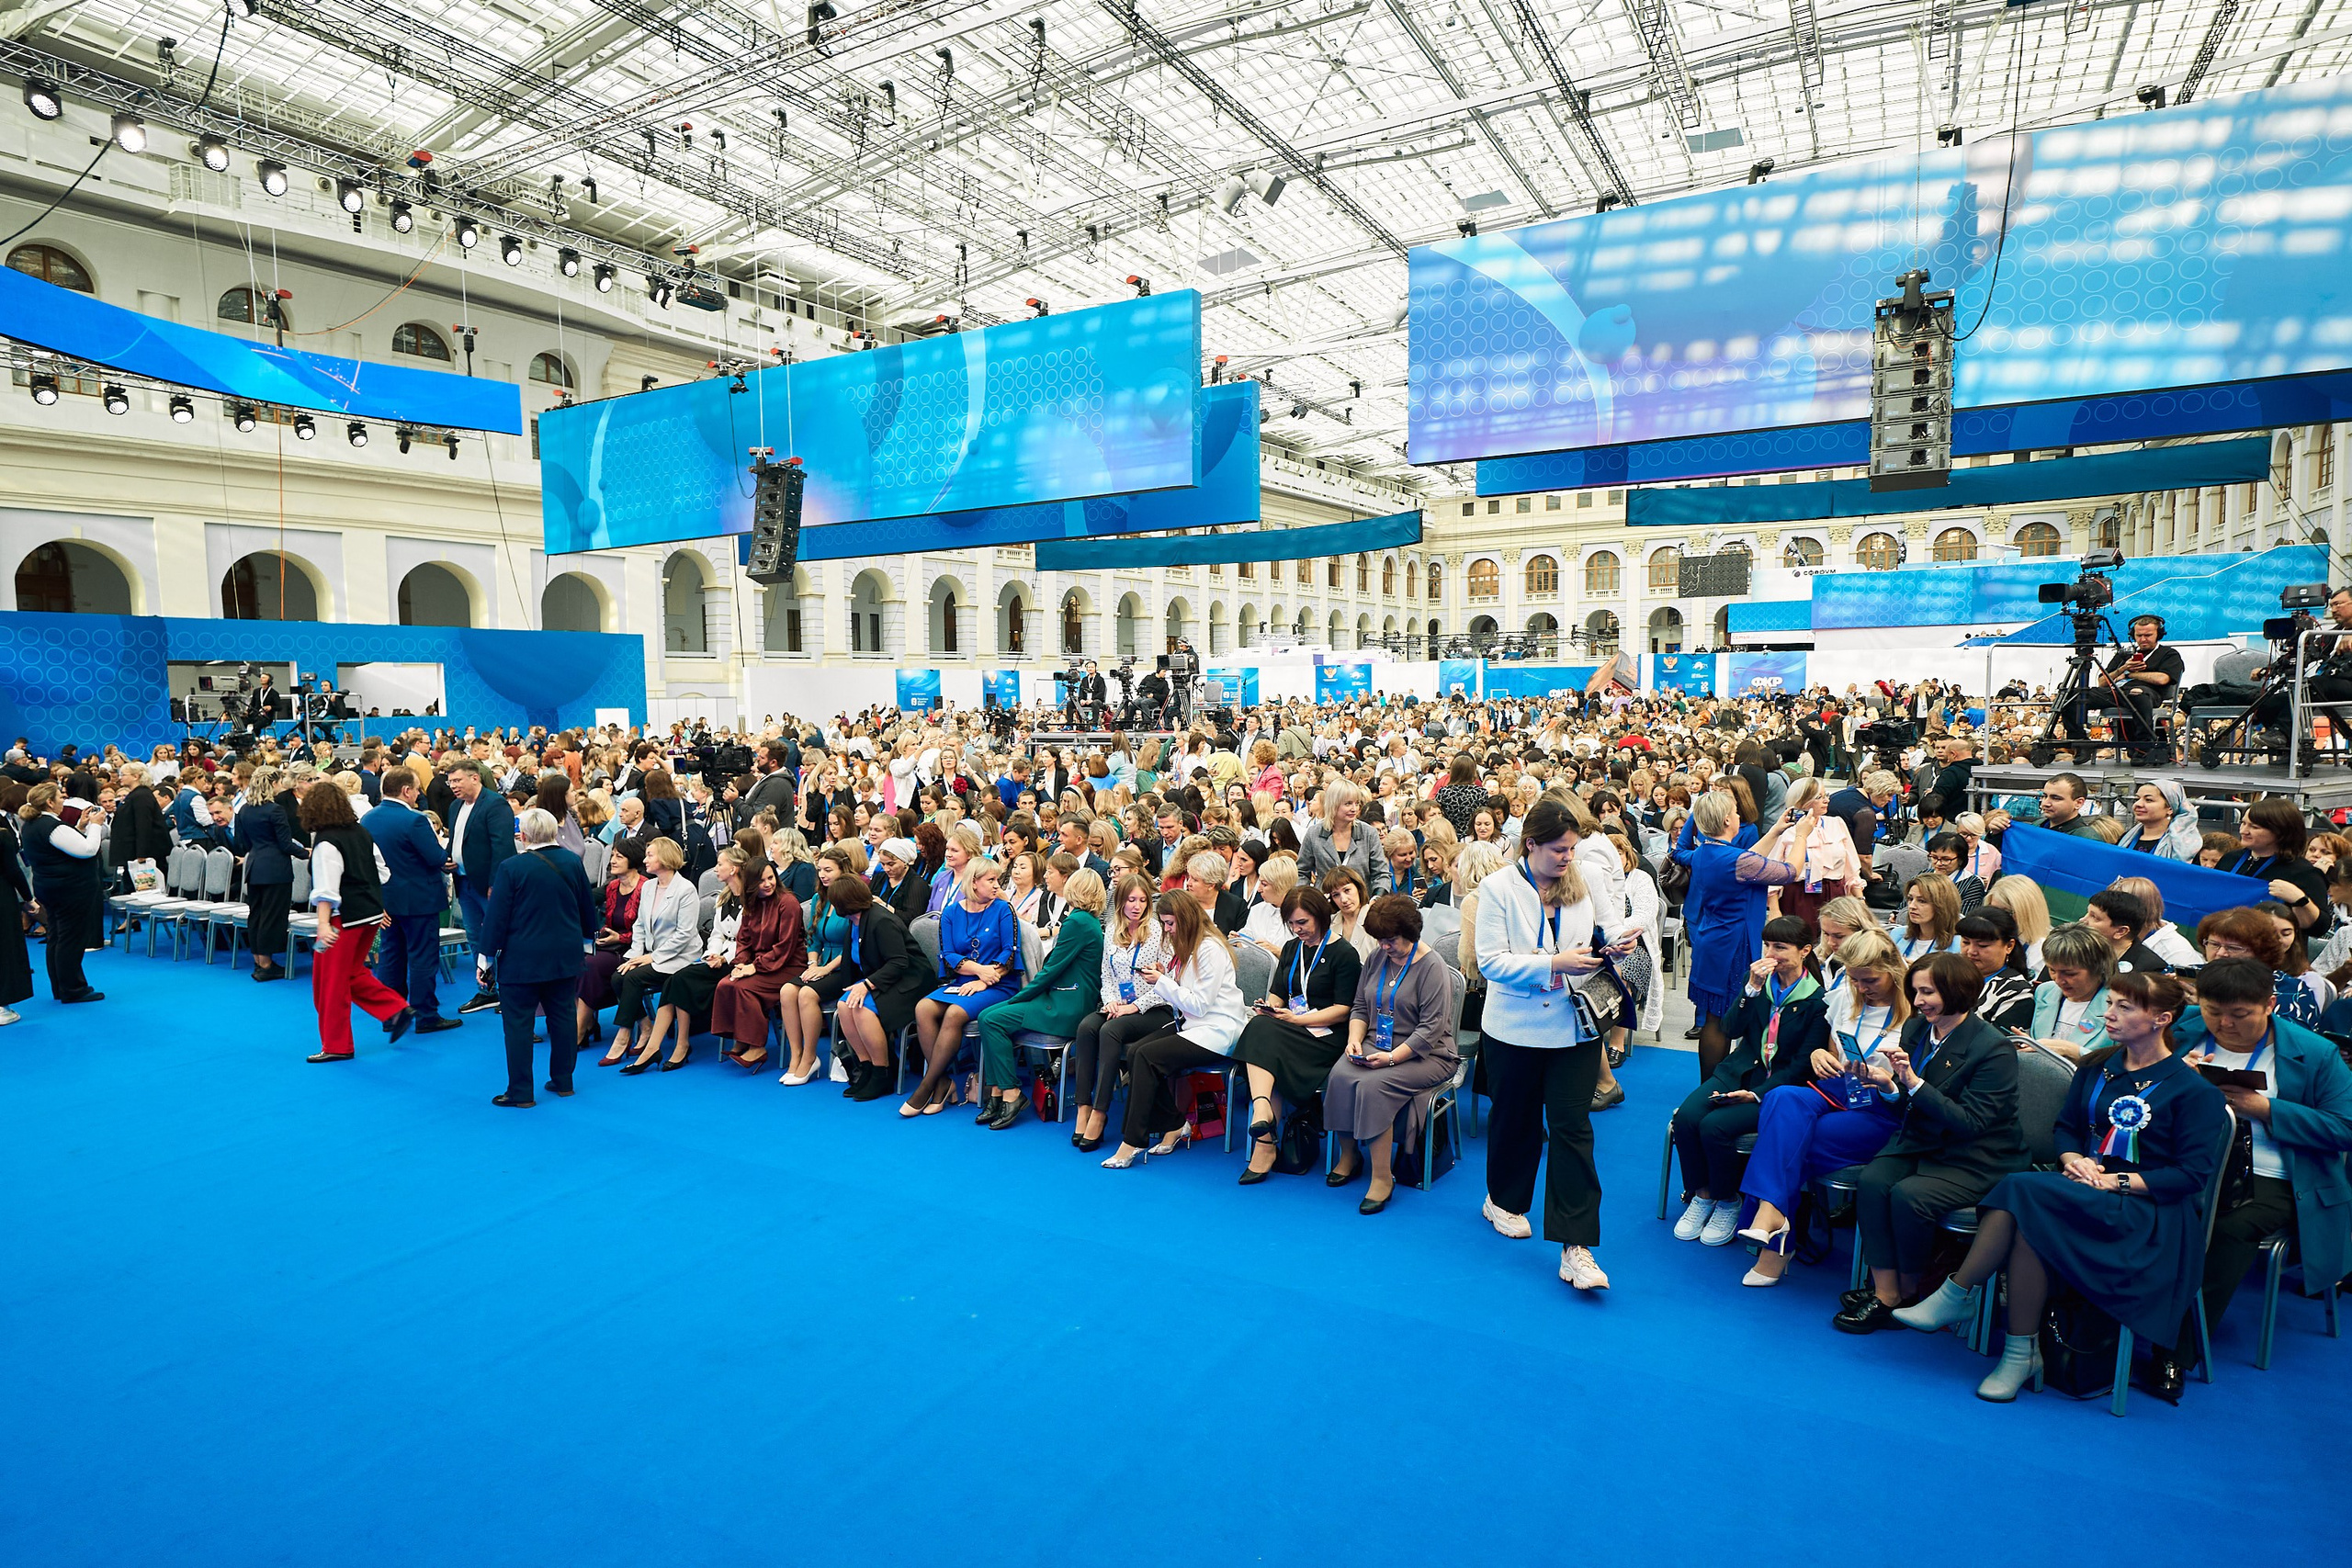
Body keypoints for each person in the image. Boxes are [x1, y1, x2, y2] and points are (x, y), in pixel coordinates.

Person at [1893, 970, 2225, 1401]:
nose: (2110, 1014)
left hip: (2146, 1212)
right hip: (2080, 1190)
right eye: (2110, 1004)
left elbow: (2190, 1176)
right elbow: (2065, 1130)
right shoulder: (2095, 1066)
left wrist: (2114, 1180)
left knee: (2021, 1189)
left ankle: (1960, 1293)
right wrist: (2074, 1160)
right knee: (2029, 1220)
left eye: (2125, 1007)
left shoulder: (2193, 1091)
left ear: (2161, 1019)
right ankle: (2017, 1352)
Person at [1476, 795, 1635, 1291]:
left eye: (1572, 849)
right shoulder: (1497, 887)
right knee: (1515, 1122)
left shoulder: (1581, 882)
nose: (1569, 857)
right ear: (1531, 845)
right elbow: (1490, 962)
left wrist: (1612, 943)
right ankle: (1502, 1199)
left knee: (1573, 1130)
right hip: (1513, 1030)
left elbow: (1599, 930)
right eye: (1560, 850)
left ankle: (1577, 1247)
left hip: (1573, 1029)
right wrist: (1553, 965)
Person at [2171, 957, 2352, 1380]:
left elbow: (2346, 1127)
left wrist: (2266, 1109)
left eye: (2239, 1015)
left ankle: (2180, 1349)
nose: (2225, 1025)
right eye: (2214, 1011)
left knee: (2228, 1228)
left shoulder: (2316, 1053)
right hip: (2194, 1163)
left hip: (2277, 1175)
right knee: (2144, 1206)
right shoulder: (2184, 1030)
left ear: (2269, 1003)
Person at [1832, 952, 2027, 1333]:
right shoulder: (1918, 1029)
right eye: (1916, 991)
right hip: (1924, 1142)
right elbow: (1908, 1101)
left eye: (1928, 992)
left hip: (1978, 1156)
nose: (1918, 1001)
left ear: (1958, 990)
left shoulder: (1993, 1049)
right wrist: (1888, 1086)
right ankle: (1887, 1291)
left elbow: (1971, 1123)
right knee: (1872, 1181)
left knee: (1910, 1196)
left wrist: (1913, 1083)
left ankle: (1908, 1292)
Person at [1736, 930, 1912, 1286]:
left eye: (1870, 980)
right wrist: (1819, 1053)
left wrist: (1887, 1080)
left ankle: (1775, 1233)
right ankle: (1775, 1217)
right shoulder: (1846, 996)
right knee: (1781, 1097)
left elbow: (1917, 1086)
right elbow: (1829, 1052)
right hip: (1838, 1089)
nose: (1862, 987)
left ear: (1893, 970)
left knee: (1791, 1139)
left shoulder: (1917, 1012)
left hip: (1883, 1107)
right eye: (1854, 979)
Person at [1669, 916, 1829, 1247]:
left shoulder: (1817, 1000)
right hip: (1737, 1071)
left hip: (1777, 1089)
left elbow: (1801, 1067)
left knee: (1715, 1127)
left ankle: (1728, 1200)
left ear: (1804, 951)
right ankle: (1703, 1194)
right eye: (1767, 945)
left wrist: (1756, 1095)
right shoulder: (1758, 983)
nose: (1770, 953)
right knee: (1685, 1118)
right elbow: (1731, 1029)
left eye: (1780, 947)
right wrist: (1751, 990)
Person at [1322, 895, 1460, 1213]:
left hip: (1428, 1054)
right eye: (1380, 941)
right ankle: (1349, 1155)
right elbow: (1359, 1007)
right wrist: (1354, 1041)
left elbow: (1430, 1030)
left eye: (1391, 940)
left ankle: (1383, 1177)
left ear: (1411, 933)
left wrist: (1392, 1058)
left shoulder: (1433, 968)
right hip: (1376, 1043)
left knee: (1374, 1086)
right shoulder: (1376, 959)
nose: (1385, 946)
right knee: (1340, 1075)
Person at [1099, 892, 1247, 1168]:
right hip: (1193, 1024)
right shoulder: (1189, 944)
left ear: (1186, 918)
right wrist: (1163, 975)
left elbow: (1200, 1004)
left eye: (1169, 923)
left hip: (1218, 1030)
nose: (1166, 929)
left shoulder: (1210, 949)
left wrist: (1162, 982)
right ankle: (1176, 1124)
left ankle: (1133, 1141)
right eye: (1164, 924)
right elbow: (1184, 992)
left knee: (1145, 1057)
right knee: (1136, 1053)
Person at [1231, 886, 1364, 1184]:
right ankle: (1264, 1127)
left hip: (1327, 1036)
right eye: (1291, 923)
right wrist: (1271, 1008)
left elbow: (1344, 1009)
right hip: (1293, 1028)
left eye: (1302, 922)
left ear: (1319, 916)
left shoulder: (1343, 953)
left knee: (1264, 1038)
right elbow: (1279, 992)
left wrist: (1299, 1018)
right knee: (1261, 1026)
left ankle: (1264, 1131)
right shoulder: (1292, 948)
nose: (1297, 929)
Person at [470, 807, 600, 1107]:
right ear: (554, 832)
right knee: (564, 1018)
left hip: (521, 961)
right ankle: (564, 1081)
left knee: (518, 1025)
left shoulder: (511, 867)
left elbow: (496, 919)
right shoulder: (571, 861)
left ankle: (521, 1092)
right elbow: (586, 909)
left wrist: (485, 959)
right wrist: (585, 946)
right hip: (565, 956)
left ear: (523, 834)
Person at [1676, 791, 1810, 1077]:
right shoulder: (1734, 860)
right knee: (1726, 1018)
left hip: (1711, 939)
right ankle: (1715, 1086)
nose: (1739, 816)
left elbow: (1747, 859)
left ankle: (1708, 1086)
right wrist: (1801, 835)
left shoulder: (1703, 852)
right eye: (1736, 812)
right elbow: (1791, 871)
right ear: (1727, 820)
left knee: (1715, 1017)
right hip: (1733, 944)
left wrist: (1775, 832)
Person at [972, 868, 1107, 1130]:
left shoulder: (1077, 922)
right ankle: (1000, 1091)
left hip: (1066, 1007)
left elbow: (1050, 971)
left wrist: (1018, 998)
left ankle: (1010, 1093)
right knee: (988, 1016)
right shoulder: (1085, 920)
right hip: (1064, 999)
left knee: (991, 1019)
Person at [299, 779, 412, 1061]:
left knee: (329, 983)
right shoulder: (361, 832)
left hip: (341, 921)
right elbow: (383, 873)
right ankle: (395, 1009)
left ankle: (337, 1045)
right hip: (369, 914)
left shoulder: (326, 842)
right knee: (351, 973)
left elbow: (326, 889)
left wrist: (324, 924)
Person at [903, 855, 1023, 1115]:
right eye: (991, 880)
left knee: (955, 1013)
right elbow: (948, 955)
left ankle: (927, 1086)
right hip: (965, 979)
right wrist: (978, 971)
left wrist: (984, 979)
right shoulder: (951, 912)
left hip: (1000, 983)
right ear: (974, 882)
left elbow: (1010, 953)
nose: (996, 886)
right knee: (923, 1008)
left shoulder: (1004, 909)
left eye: (997, 880)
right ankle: (943, 1081)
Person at [1069, 874, 1172, 1150]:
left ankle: (1101, 1113)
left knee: (1110, 1030)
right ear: (1121, 903)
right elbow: (1107, 975)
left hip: (1154, 1008)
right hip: (1120, 1005)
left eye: (1142, 900)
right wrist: (1112, 1001)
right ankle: (1084, 1106)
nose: (1137, 906)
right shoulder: (1112, 930)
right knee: (1087, 1027)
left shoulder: (1158, 933)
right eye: (1131, 900)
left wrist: (1133, 1007)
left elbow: (1169, 982)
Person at [360, 770, 454, 1030]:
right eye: (416, 789)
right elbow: (436, 858)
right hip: (420, 900)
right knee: (423, 958)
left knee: (391, 956)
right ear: (406, 791)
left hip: (387, 900)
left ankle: (393, 1015)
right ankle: (426, 1015)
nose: (419, 794)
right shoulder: (415, 820)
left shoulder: (367, 819)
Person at [831, 874, 933, 1103]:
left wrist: (866, 986)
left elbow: (899, 962)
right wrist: (854, 987)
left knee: (861, 1008)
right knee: (844, 1004)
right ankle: (865, 1066)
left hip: (911, 982)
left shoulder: (881, 920)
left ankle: (882, 1072)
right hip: (886, 979)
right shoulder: (856, 921)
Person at [605, 838, 702, 1073]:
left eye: (650, 855)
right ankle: (645, 1025)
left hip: (680, 957)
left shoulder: (686, 889)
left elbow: (685, 934)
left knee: (633, 978)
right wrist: (635, 955)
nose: (645, 859)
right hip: (651, 953)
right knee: (619, 975)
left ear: (665, 858)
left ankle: (623, 1034)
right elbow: (639, 925)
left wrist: (652, 957)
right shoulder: (649, 886)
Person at [708, 855, 806, 1072]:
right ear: (751, 884)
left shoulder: (788, 903)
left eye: (771, 878)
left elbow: (785, 947)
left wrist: (755, 967)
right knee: (726, 984)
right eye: (761, 881)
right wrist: (741, 963)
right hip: (760, 963)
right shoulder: (751, 903)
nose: (768, 883)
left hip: (788, 965)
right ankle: (741, 1039)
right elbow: (743, 939)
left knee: (745, 988)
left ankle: (757, 1047)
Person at [775, 847, 860, 1086]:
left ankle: (811, 1058)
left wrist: (825, 969)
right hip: (821, 963)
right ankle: (796, 1055)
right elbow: (813, 938)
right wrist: (813, 963)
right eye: (820, 870)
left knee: (806, 994)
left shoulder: (852, 897)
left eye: (828, 870)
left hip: (847, 966)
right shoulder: (817, 899)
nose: (822, 875)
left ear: (843, 870)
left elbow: (854, 945)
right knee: (787, 991)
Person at [17, 784, 104, 1005]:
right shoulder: (52, 826)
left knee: (57, 936)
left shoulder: (32, 824)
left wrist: (80, 826)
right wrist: (95, 826)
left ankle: (61, 986)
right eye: (60, 797)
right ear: (49, 802)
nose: (63, 801)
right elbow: (87, 850)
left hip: (50, 887)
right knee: (70, 939)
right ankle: (73, 988)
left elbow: (61, 847)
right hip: (70, 890)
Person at [446, 761, 516, 1015]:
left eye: (457, 781)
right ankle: (488, 990)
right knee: (476, 937)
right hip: (463, 882)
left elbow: (502, 847)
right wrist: (446, 858)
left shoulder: (495, 804)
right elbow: (455, 840)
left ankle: (510, 991)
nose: (453, 786)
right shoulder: (455, 806)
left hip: (487, 885)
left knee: (501, 936)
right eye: (450, 782)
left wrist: (495, 883)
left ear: (475, 778)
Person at [2218, 797, 2333, 938]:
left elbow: (2319, 928)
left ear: (2280, 832)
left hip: (2274, 954)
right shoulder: (2230, 859)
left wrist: (2300, 899)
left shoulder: (2304, 872)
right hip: (2225, 946)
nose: (2243, 831)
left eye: (2254, 827)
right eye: (2243, 823)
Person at [1762, 775, 1860, 940]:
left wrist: (1860, 899)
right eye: (1819, 797)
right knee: (1799, 943)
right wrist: (1774, 909)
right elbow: (1773, 871)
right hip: (1799, 895)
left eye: (1826, 795)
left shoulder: (1836, 823)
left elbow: (1851, 868)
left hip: (1834, 893)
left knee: (1836, 943)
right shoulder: (1787, 829)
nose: (1826, 800)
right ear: (1804, 801)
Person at [231, 764, 300, 983]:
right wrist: (307, 852)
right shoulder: (275, 810)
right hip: (276, 870)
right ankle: (267, 965)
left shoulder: (244, 810)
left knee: (257, 916)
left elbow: (242, 844)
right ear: (272, 784)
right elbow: (286, 844)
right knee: (272, 917)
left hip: (254, 868)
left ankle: (260, 961)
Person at [577, 839, 647, 1052]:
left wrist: (621, 938)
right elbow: (583, 900)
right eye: (613, 855)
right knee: (573, 959)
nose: (612, 860)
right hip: (610, 944)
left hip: (635, 948)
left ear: (632, 860)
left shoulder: (646, 887)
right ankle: (587, 1023)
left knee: (591, 964)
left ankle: (579, 1030)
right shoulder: (612, 886)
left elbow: (651, 930)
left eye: (619, 856)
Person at [1295, 778, 1390, 896]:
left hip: (1362, 905)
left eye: (1356, 803)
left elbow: (1381, 874)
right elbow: (1302, 872)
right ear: (1333, 804)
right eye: (1348, 804)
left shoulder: (1368, 833)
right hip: (1325, 906)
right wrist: (1308, 900)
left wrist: (1376, 899)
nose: (1354, 809)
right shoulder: (1314, 834)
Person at [1957, 908, 2037, 1031]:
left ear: (2009, 946)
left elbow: (1994, 1045)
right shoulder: (1949, 974)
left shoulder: (2017, 994)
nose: (1971, 951)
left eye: (1982, 945)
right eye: (1966, 942)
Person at [2082, 886, 2170, 976]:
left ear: (2121, 931)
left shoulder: (2150, 970)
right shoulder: (2080, 950)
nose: (2082, 920)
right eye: (2087, 913)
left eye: (2094, 917)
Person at [1892, 872, 1962, 961]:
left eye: (1922, 901)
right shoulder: (1897, 934)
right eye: (1910, 899)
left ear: (1942, 905)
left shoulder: (1959, 944)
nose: (1912, 906)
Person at [2125, 779, 2203, 859]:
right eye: (2137, 799)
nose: (2138, 804)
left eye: (2148, 800)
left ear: (2170, 808)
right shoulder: (2125, 838)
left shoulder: (2186, 846)